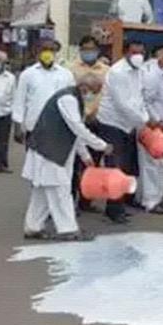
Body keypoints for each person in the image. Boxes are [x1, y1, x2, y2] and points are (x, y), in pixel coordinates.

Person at [24, 75, 113, 241]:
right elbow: (77, 127)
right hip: (50, 151)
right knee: (61, 190)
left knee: (43, 192)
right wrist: (101, 145)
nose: (93, 96)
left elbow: (74, 132)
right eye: (94, 91)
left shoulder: (74, 99)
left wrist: (85, 155)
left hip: (51, 151)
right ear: (84, 87)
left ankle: (33, 227)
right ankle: (68, 230)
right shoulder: (68, 99)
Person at [14, 38, 76, 235]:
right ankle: (67, 228)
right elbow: (19, 101)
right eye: (44, 49)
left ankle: (33, 226)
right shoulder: (28, 75)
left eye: (51, 50)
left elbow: (72, 101)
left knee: (46, 180)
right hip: (37, 133)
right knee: (55, 181)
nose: (47, 53)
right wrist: (18, 126)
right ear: (36, 51)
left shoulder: (66, 75)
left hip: (61, 132)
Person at [96, 41, 151, 224]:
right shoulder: (118, 72)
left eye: (142, 52)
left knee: (127, 166)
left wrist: (142, 118)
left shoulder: (140, 71)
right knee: (115, 166)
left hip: (129, 124)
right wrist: (144, 121)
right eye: (135, 52)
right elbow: (122, 104)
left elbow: (139, 98)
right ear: (125, 53)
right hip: (112, 123)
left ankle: (122, 202)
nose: (139, 56)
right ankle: (114, 209)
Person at [69, 35, 111, 213]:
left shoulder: (107, 71)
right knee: (73, 163)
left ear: (98, 50)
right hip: (77, 121)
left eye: (91, 49)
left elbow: (109, 95)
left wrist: (97, 113)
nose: (88, 52)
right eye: (85, 49)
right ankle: (68, 200)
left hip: (98, 121)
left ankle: (86, 201)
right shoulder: (70, 69)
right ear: (80, 50)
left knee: (92, 162)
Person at [138, 48, 163, 214]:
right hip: (153, 126)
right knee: (151, 164)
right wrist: (157, 121)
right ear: (159, 58)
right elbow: (145, 101)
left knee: (162, 163)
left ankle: (157, 198)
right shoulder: (152, 76)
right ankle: (150, 201)